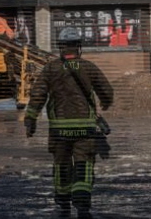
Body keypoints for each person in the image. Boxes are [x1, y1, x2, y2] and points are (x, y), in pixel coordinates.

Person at [24, 28, 115, 218]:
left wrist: (30, 119)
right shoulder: (88, 67)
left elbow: (38, 95)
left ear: (60, 47)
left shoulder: (50, 68)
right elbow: (106, 91)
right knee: (84, 164)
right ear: (78, 47)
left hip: (59, 130)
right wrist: (105, 103)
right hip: (85, 129)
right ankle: (82, 205)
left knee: (62, 165)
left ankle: (63, 204)